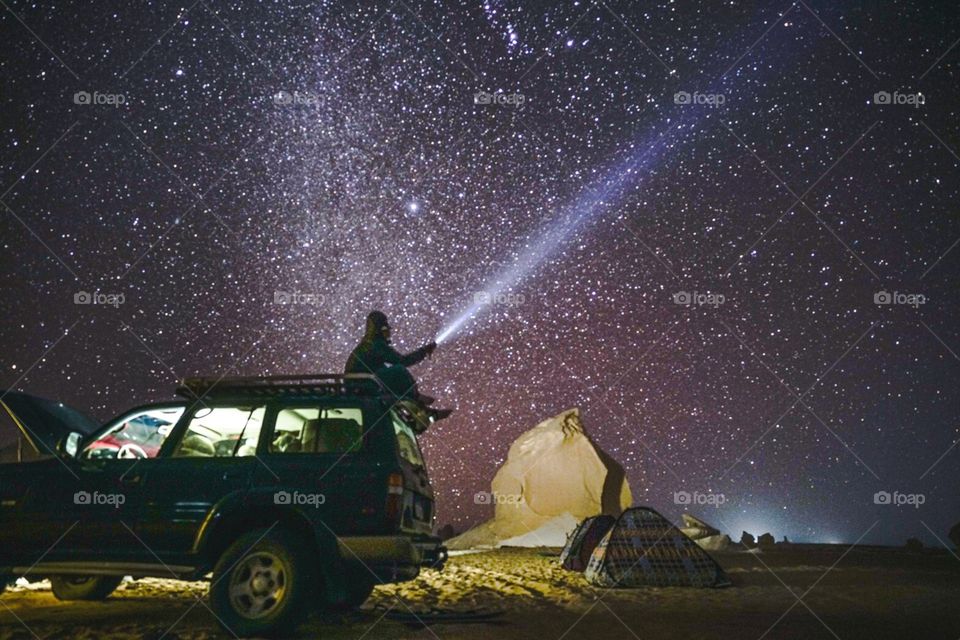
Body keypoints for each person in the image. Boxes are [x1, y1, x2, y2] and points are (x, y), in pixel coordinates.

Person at [345, 311, 452, 420]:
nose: (389, 332)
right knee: (399, 371)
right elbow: (403, 361)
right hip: (364, 383)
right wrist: (424, 351)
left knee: (389, 372)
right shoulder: (377, 344)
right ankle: (417, 400)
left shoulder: (367, 344)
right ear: (381, 329)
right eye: (386, 329)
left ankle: (420, 405)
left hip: (358, 383)